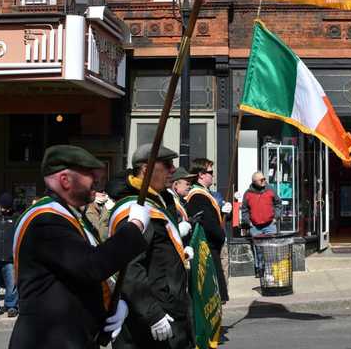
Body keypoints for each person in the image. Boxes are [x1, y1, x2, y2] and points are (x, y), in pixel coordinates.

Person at [9, 144, 153, 349]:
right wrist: (136, 226)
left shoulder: (68, 215)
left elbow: (76, 277)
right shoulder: (46, 220)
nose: (96, 180)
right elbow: (92, 265)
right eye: (89, 174)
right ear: (65, 180)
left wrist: (111, 304)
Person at [110, 143, 194, 349]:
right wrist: (153, 313)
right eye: (167, 164)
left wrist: (179, 252)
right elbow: (130, 267)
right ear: (146, 169)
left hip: (171, 307)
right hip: (151, 318)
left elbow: (157, 252)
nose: (173, 169)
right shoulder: (135, 208)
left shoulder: (161, 199)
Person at [186, 158, 231, 302]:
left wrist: (225, 213)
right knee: (210, 294)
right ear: (201, 175)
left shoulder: (206, 193)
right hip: (208, 247)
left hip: (212, 246)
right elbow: (209, 224)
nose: (213, 175)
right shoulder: (197, 195)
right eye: (210, 172)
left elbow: (214, 217)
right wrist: (221, 236)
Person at [242, 171, 282, 274]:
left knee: (270, 248)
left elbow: (278, 204)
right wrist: (248, 222)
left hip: (269, 225)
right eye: (261, 180)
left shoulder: (270, 189)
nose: (264, 181)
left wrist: (275, 218)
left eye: (264, 179)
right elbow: (244, 210)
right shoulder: (248, 193)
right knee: (258, 249)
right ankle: (260, 269)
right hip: (255, 226)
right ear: (254, 182)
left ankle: (271, 270)